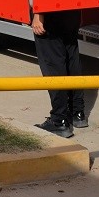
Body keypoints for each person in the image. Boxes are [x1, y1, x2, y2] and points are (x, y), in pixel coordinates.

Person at [31, 10, 87, 138]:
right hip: (71, 11)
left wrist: (39, 14)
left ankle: (59, 120)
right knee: (72, 57)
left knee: (53, 64)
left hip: (50, 14)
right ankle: (78, 113)